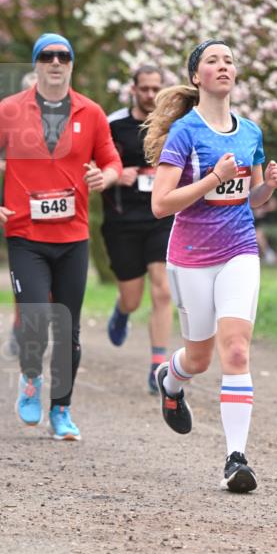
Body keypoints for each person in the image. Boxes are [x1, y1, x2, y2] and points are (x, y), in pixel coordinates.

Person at [146, 39, 277, 493]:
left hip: (239, 250)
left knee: (237, 351)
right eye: (213, 60)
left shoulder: (251, 132)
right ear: (196, 76)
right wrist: (213, 178)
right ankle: (170, 381)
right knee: (199, 358)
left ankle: (236, 459)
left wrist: (269, 187)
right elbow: (161, 204)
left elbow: (251, 197)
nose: (223, 66)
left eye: (229, 60)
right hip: (190, 257)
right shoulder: (184, 132)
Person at [0, 34, 122, 440]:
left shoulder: (91, 112)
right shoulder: (9, 110)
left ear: (71, 64)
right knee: (35, 318)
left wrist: (104, 177)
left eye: (63, 56)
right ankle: (30, 377)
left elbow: (111, 161)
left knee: (67, 330)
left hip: (73, 237)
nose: (56, 62)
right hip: (26, 234)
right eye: (48, 56)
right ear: (37, 64)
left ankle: (61, 409)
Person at [103, 64, 174, 393]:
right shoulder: (113, 124)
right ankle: (122, 311)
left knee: (163, 289)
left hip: (162, 217)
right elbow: (94, 165)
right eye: (144, 89)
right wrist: (118, 173)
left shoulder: (174, 125)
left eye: (155, 89)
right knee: (132, 298)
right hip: (122, 221)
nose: (150, 95)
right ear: (133, 90)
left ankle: (157, 366)